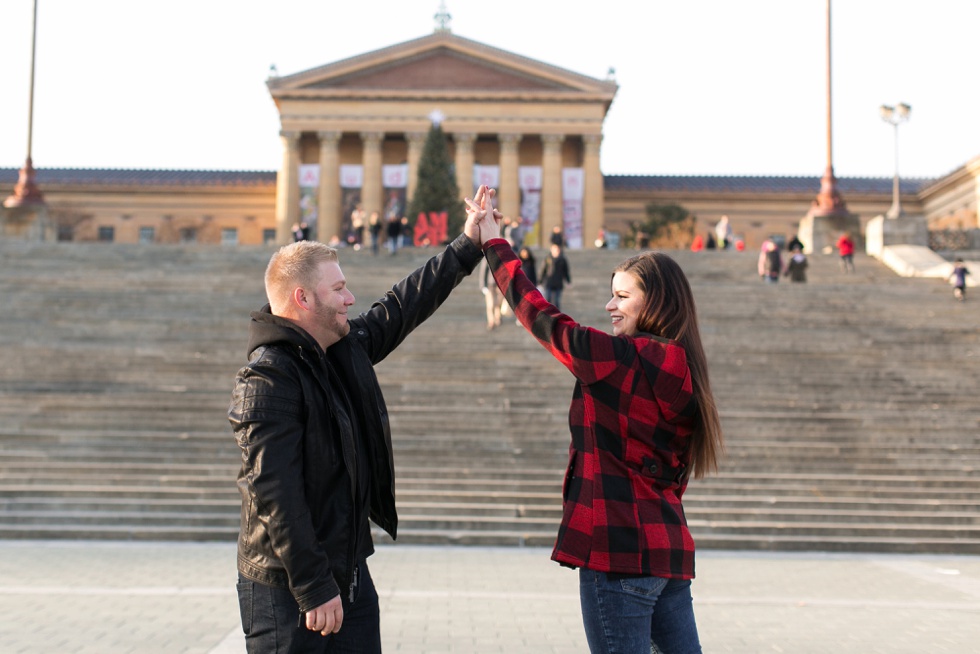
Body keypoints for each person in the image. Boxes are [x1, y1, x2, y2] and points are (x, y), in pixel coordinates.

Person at [466, 185, 723, 654]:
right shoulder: (688, 368)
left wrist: (493, 243)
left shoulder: (618, 359)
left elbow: (539, 317)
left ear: (656, 303)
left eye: (622, 296)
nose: (610, 306)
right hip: (668, 551)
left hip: (616, 547)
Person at [229, 206, 486, 653]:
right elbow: (277, 493)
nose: (350, 299)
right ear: (303, 299)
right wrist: (313, 586)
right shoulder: (267, 380)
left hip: (348, 573)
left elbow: (401, 307)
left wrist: (466, 247)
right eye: (340, 289)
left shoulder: (342, 349)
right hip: (287, 585)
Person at [540, 243, 572, 310]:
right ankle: (548, 314)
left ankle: (557, 315)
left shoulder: (562, 259)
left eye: (557, 249)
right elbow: (543, 270)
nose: (556, 250)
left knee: (557, 300)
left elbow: (566, 271)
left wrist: (568, 281)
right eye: (554, 248)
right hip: (549, 282)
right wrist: (540, 281)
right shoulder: (548, 258)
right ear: (551, 249)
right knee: (548, 299)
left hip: (558, 282)